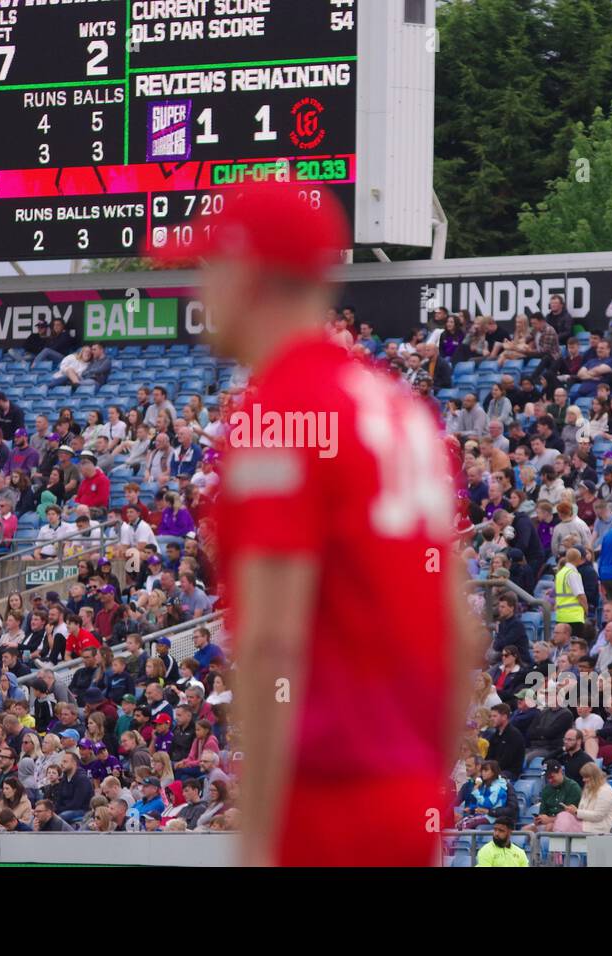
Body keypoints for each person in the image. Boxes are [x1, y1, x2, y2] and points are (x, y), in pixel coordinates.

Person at [158, 183, 480, 867]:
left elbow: (276, 646)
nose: (197, 289)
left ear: (247, 275)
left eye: (208, 266)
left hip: (326, 802)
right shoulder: (398, 408)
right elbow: (461, 632)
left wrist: (260, 844)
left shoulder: (280, 413)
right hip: (406, 800)